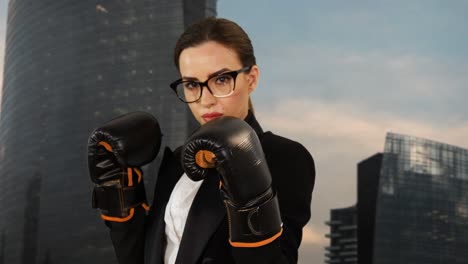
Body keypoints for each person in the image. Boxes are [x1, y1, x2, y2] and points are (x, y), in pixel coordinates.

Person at [88, 17, 315, 264]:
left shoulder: (284, 157)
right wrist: (119, 201)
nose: (205, 99)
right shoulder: (178, 161)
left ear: (251, 79)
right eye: (192, 84)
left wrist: (249, 195)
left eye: (221, 79)